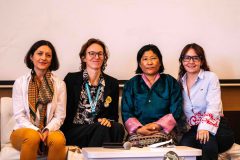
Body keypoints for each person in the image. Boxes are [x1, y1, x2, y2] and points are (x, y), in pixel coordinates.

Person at [61, 38, 124, 147]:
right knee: (102, 129)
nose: (96, 57)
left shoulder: (112, 83)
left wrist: (106, 120)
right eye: (91, 53)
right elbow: (63, 110)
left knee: (117, 128)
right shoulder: (71, 79)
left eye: (100, 54)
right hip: (76, 130)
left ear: (104, 58)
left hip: (99, 128)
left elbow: (114, 116)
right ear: (83, 57)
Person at [10, 40, 67, 160]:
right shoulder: (20, 82)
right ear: (31, 57)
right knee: (32, 137)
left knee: (57, 140)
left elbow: (60, 116)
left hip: (50, 130)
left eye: (48, 55)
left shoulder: (59, 84)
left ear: (52, 59)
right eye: (39, 53)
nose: (43, 58)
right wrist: (37, 131)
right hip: (23, 131)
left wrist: (46, 130)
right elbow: (20, 116)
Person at [178, 43, 234, 160]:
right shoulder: (180, 82)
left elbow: (214, 106)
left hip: (217, 127)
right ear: (182, 61)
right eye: (187, 58)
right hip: (193, 130)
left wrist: (204, 127)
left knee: (208, 143)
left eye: (195, 58)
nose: (191, 61)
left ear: (201, 61)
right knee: (185, 146)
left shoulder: (210, 77)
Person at [121, 44, 182, 144]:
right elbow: (126, 111)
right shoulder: (131, 84)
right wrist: (139, 129)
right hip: (138, 132)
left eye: (153, 58)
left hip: (164, 131)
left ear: (160, 62)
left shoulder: (170, 82)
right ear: (140, 64)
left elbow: (176, 110)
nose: (149, 62)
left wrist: (157, 126)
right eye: (145, 59)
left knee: (163, 143)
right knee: (134, 145)